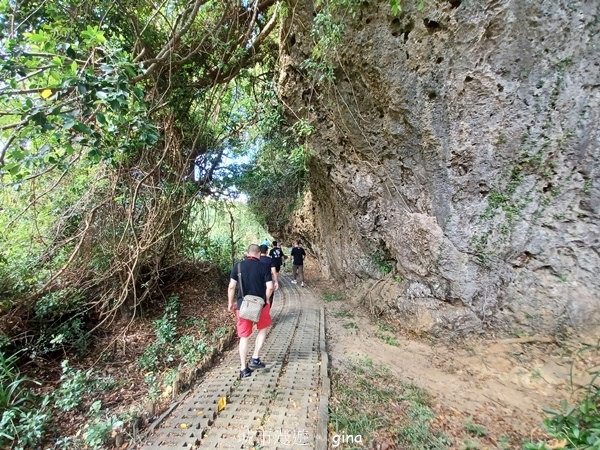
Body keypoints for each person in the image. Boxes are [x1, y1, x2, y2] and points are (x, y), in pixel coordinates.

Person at [228, 244, 274, 379]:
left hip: (243, 306)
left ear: (247, 253)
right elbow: (270, 287)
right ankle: (255, 358)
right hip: (261, 305)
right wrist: (266, 300)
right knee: (262, 329)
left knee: (244, 336)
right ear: (259, 254)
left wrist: (231, 303)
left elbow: (231, 287)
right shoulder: (263, 267)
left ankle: (244, 368)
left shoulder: (238, 266)